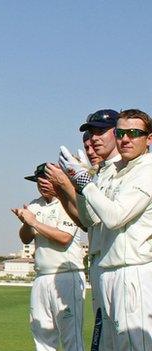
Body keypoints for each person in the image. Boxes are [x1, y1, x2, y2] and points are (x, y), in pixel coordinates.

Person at [60, 109, 152, 350]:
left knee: (134, 344)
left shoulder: (147, 170)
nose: (125, 139)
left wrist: (84, 183)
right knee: (109, 345)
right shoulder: (117, 170)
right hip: (108, 270)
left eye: (134, 133)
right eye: (121, 133)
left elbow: (114, 217)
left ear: (149, 138)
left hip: (133, 270)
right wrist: (80, 187)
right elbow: (90, 219)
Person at [48, 109, 120, 350]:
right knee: (105, 340)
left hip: (125, 266)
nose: (91, 144)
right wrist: (69, 187)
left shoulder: (125, 171)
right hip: (102, 263)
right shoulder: (100, 174)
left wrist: (72, 183)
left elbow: (108, 217)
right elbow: (87, 221)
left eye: (100, 132)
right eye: (88, 139)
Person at [12, 163, 85, 351]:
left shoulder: (68, 203)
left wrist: (34, 222)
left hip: (66, 276)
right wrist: (27, 224)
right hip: (41, 277)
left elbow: (64, 238)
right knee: (42, 335)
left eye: (46, 179)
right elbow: (25, 238)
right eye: (38, 180)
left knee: (71, 337)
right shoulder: (35, 205)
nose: (42, 183)